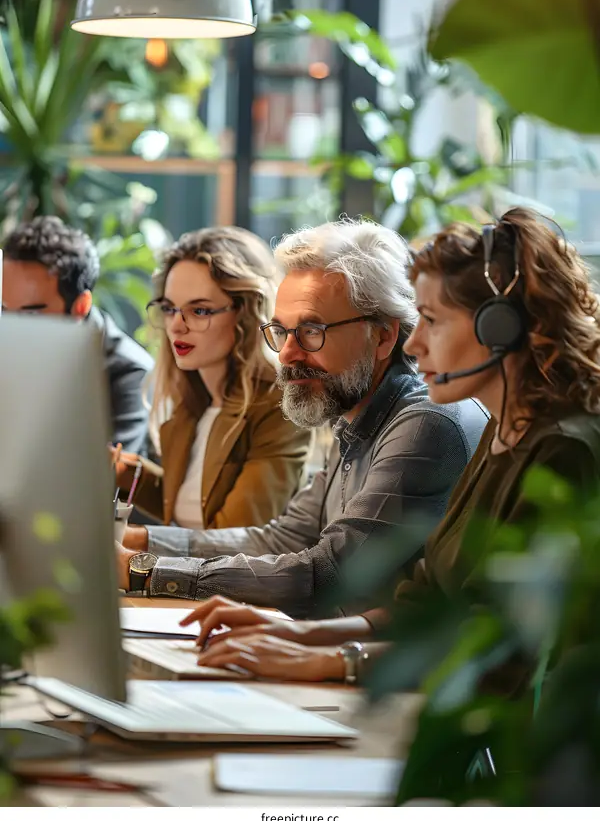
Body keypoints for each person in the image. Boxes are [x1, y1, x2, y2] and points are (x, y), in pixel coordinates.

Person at [182, 208, 600, 683]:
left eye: (432, 321)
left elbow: (501, 644)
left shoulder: (561, 450)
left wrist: (334, 661)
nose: (414, 343)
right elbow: (425, 603)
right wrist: (303, 637)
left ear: (498, 330)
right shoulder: (501, 435)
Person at [117, 218, 489, 613]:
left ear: (383, 335)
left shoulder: (425, 425)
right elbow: (282, 538)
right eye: (281, 332)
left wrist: (148, 570)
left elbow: (327, 573)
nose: (288, 354)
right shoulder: (353, 415)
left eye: (312, 331)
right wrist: (136, 544)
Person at [113, 226, 311, 531]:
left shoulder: (278, 405)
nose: (176, 326)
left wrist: (135, 545)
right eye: (169, 309)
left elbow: (235, 538)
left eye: (200, 310)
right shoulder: (193, 399)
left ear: (245, 314)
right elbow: (189, 499)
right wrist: (123, 470)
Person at [2, 215, 154, 454]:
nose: (11, 327)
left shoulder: (130, 374)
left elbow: (113, 481)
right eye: (3, 309)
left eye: (30, 314)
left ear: (81, 306)